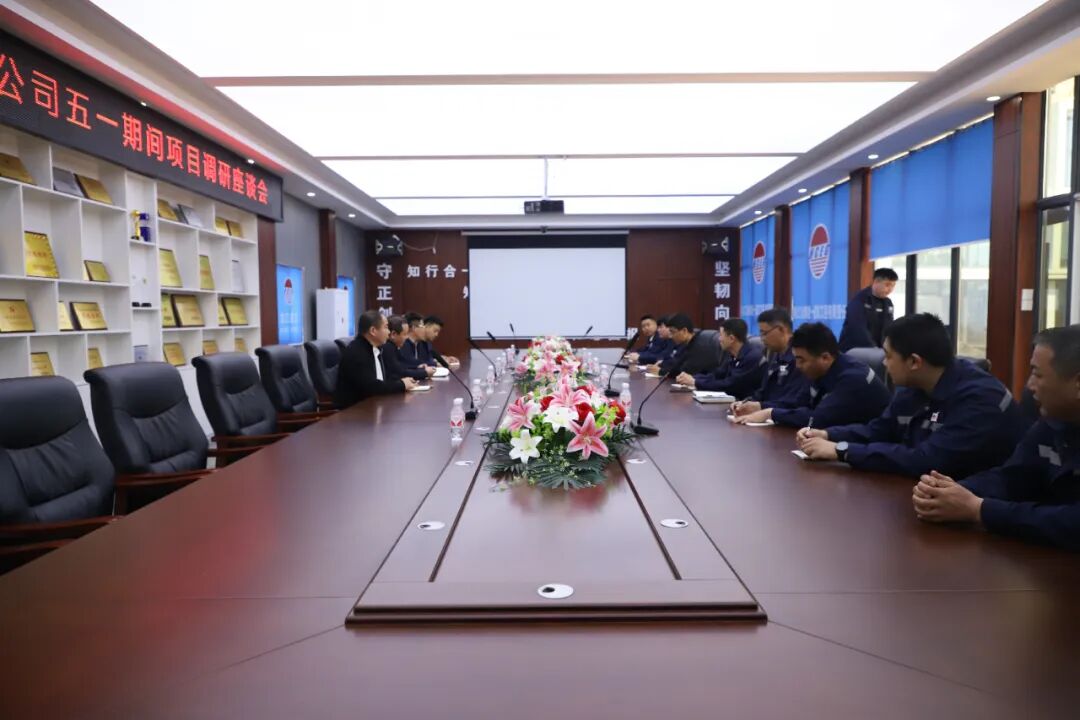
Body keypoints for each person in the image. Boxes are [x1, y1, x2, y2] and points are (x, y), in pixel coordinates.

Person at [912, 325, 1080, 551]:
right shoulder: (1053, 421)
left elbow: (1073, 523)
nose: (1029, 386)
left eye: (1037, 374)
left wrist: (979, 509)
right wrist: (950, 492)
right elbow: (1013, 477)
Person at [798, 313, 1023, 479]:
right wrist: (828, 435)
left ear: (914, 362)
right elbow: (880, 430)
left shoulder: (980, 399)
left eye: (888, 356)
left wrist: (842, 450)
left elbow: (927, 460)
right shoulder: (914, 386)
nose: (884, 363)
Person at [734, 322, 891, 427]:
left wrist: (771, 413)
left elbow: (818, 418)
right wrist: (760, 406)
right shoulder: (820, 370)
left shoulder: (852, 378)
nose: (797, 366)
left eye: (801, 360)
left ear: (825, 357)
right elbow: (797, 403)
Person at [731, 308, 810, 416]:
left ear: (781, 330)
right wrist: (746, 402)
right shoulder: (775, 355)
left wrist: (761, 406)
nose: (762, 339)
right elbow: (763, 392)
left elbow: (793, 401)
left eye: (764, 333)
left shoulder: (800, 358)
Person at [336, 310, 418, 407]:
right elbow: (372, 387)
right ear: (373, 331)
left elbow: (383, 380)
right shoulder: (357, 353)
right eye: (386, 327)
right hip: (355, 410)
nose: (389, 332)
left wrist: (402, 382)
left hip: (373, 405)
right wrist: (401, 384)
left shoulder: (375, 349)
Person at [676, 318, 765, 398]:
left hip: (745, 403)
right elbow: (716, 375)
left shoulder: (751, 357)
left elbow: (729, 385)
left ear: (731, 338)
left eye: (721, 335)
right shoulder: (733, 355)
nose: (719, 339)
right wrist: (692, 378)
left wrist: (695, 382)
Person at [838, 267, 898, 351]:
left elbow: (888, 328)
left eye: (893, 285)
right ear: (876, 282)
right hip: (854, 349)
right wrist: (873, 348)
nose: (890, 289)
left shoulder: (888, 303)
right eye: (887, 285)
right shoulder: (859, 300)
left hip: (877, 349)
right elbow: (858, 328)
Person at [645, 313, 721, 378]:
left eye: (673, 332)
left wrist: (661, 372)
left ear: (684, 331)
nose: (671, 336)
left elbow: (686, 370)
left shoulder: (700, 344)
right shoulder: (686, 343)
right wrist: (661, 367)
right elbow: (676, 364)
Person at [385, 315, 434, 382]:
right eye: (405, 334)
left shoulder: (394, 347)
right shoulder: (388, 347)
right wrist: (424, 373)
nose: (407, 337)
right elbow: (400, 373)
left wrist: (416, 367)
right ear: (393, 334)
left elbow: (402, 365)